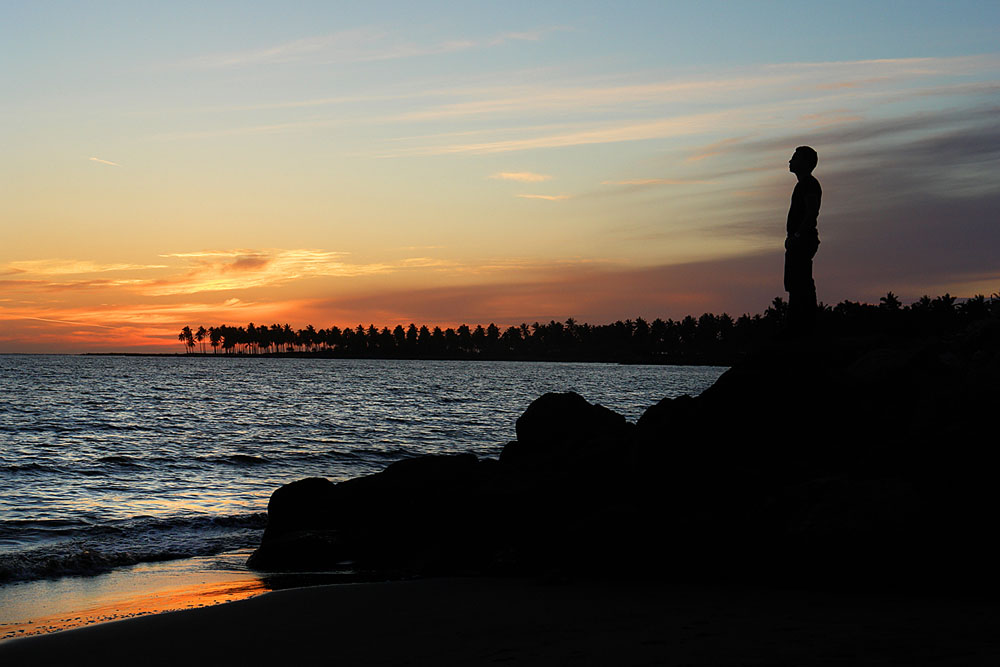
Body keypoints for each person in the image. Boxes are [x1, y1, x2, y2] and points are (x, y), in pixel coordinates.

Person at [784, 146, 821, 335]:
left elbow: (812, 212)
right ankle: (798, 326)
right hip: (798, 241)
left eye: (794, 158)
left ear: (805, 162)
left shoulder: (809, 184)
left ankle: (804, 328)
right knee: (796, 283)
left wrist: (797, 236)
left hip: (803, 241)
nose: (790, 161)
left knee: (801, 284)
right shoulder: (802, 184)